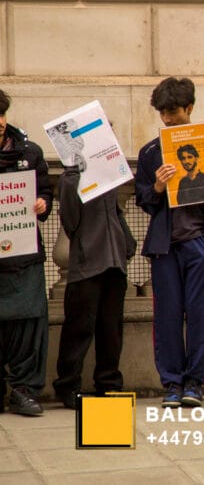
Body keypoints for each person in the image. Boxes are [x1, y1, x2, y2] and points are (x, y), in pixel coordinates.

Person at [136, 77, 204, 409]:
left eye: (174, 112)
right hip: (165, 247)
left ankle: (194, 383)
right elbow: (143, 200)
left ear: (189, 108)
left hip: (199, 244)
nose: (168, 119)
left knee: (201, 316)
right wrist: (157, 187)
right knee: (167, 317)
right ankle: (172, 384)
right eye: (163, 113)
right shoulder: (150, 153)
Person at [53, 162, 136, 409]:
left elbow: (115, 213)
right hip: (87, 264)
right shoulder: (70, 179)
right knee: (78, 329)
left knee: (111, 330)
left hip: (114, 263)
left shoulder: (108, 174)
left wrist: (126, 242)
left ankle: (109, 384)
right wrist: (73, 177)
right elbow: (70, 222)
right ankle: (68, 386)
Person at [0, 90, 53, 416]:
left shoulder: (30, 152)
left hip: (23, 255)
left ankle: (24, 390)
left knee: (29, 323)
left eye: (1, 114)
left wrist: (43, 202)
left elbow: (45, 190)